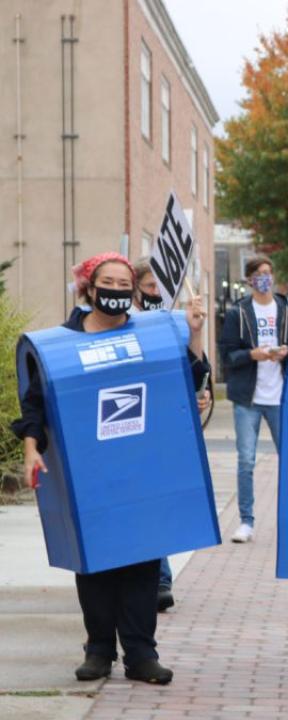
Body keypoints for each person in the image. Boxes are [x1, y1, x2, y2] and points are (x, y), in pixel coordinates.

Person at [12, 252, 210, 685]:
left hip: (142, 473)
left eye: (125, 284)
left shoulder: (152, 337)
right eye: (109, 282)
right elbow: (34, 404)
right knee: (96, 565)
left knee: (142, 562)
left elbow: (189, 378)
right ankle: (99, 649)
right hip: (90, 477)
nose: (118, 291)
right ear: (88, 287)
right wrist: (32, 448)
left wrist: (195, 334)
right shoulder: (57, 347)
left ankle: (141, 655)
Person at [217, 256, 288, 544]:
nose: (265, 278)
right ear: (249, 280)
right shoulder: (237, 313)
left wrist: (287, 351)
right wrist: (251, 355)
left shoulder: (287, 309)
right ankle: (246, 521)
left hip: (280, 396)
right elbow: (227, 355)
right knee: (246, 459)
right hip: (247, 397)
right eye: (259, 274)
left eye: (269, 273)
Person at [133, 257, 178, 612]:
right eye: (150, 287)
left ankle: (160, 579)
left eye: (161, 288)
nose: (155, 294)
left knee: (154, 503)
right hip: (129, 427)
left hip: (160, 430)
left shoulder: (170, 325)